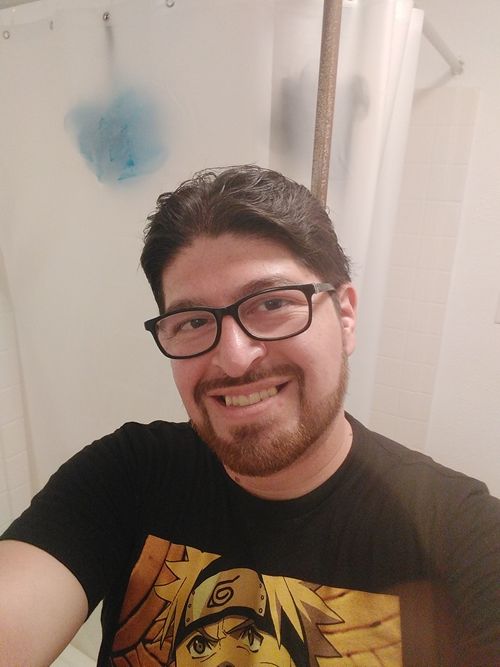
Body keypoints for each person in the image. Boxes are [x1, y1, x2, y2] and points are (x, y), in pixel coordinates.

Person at [0, 165, 499, 666]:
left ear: (345, 315)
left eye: (273, 303)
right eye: (194, 321)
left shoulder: (461, 536)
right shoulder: (126, 475)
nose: (235, 358)